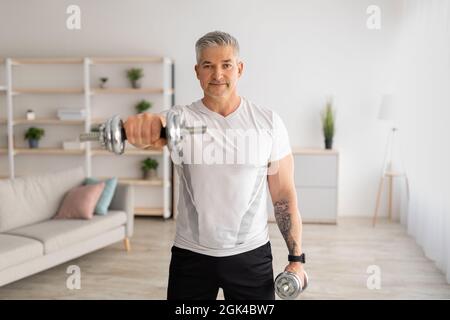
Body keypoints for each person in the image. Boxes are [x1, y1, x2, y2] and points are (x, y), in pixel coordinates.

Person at [124, 31, 306, 300]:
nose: (217, 74)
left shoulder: (267, 122)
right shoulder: (179, 119)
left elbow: (283, 197)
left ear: (240, 69)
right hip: (191, 257)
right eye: (208, 66)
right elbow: (153, 133)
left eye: (226, 65)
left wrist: (296, 259)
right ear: (197, 71)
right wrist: (141, 126)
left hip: (251, 255)